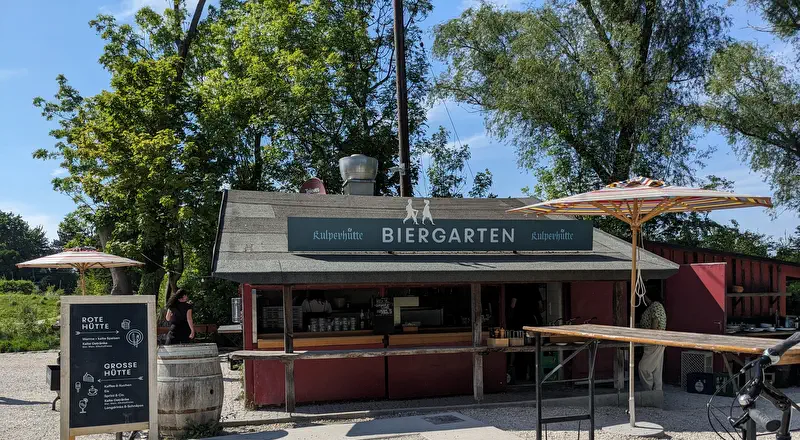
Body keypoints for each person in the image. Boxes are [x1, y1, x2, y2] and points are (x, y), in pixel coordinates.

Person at [638, 291, 667, 390]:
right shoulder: (657, 306)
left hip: (653, 341)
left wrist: (652, 335)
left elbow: (655, 320)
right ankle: (656, 392)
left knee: (643, 368)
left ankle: (648, 389)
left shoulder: (655, 305)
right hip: (658, 340)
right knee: (657, 368)